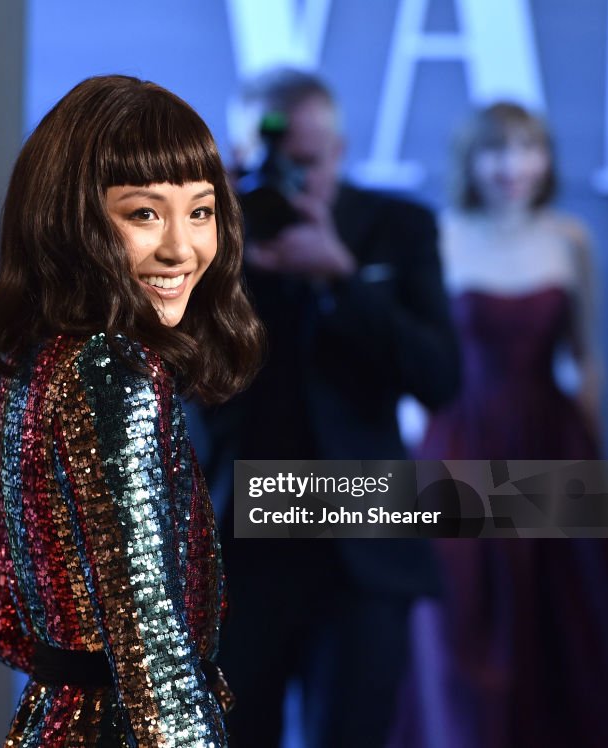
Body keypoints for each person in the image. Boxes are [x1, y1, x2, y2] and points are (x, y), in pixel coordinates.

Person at [0, 75, 264, 747]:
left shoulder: (40, 361)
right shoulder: (112, 372)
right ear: (72, 221)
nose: (182, 248)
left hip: (55, 719)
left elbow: (0, 618)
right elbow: (151, 632)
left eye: (201, 211)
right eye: (145, 213)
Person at [202, 69, 460, 748]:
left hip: (361, 541)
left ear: (340, 151)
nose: (285, 176)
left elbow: (440, 379)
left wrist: (340, 278)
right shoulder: (201, 244)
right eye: (263, 160)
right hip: (234, 544)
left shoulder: (396, 227)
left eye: (305, 161)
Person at [405, 102, 608, 748]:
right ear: (472, 161)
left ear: (545, 159)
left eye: (526, 149)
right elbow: (424, 363)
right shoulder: (441, 235)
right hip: (460, 441)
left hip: (553, 438)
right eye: (497, 150)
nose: (512, 166)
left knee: (565, 607)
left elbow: (585, 357)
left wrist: (594, 466)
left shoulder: (570, 240)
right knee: (463, 609)